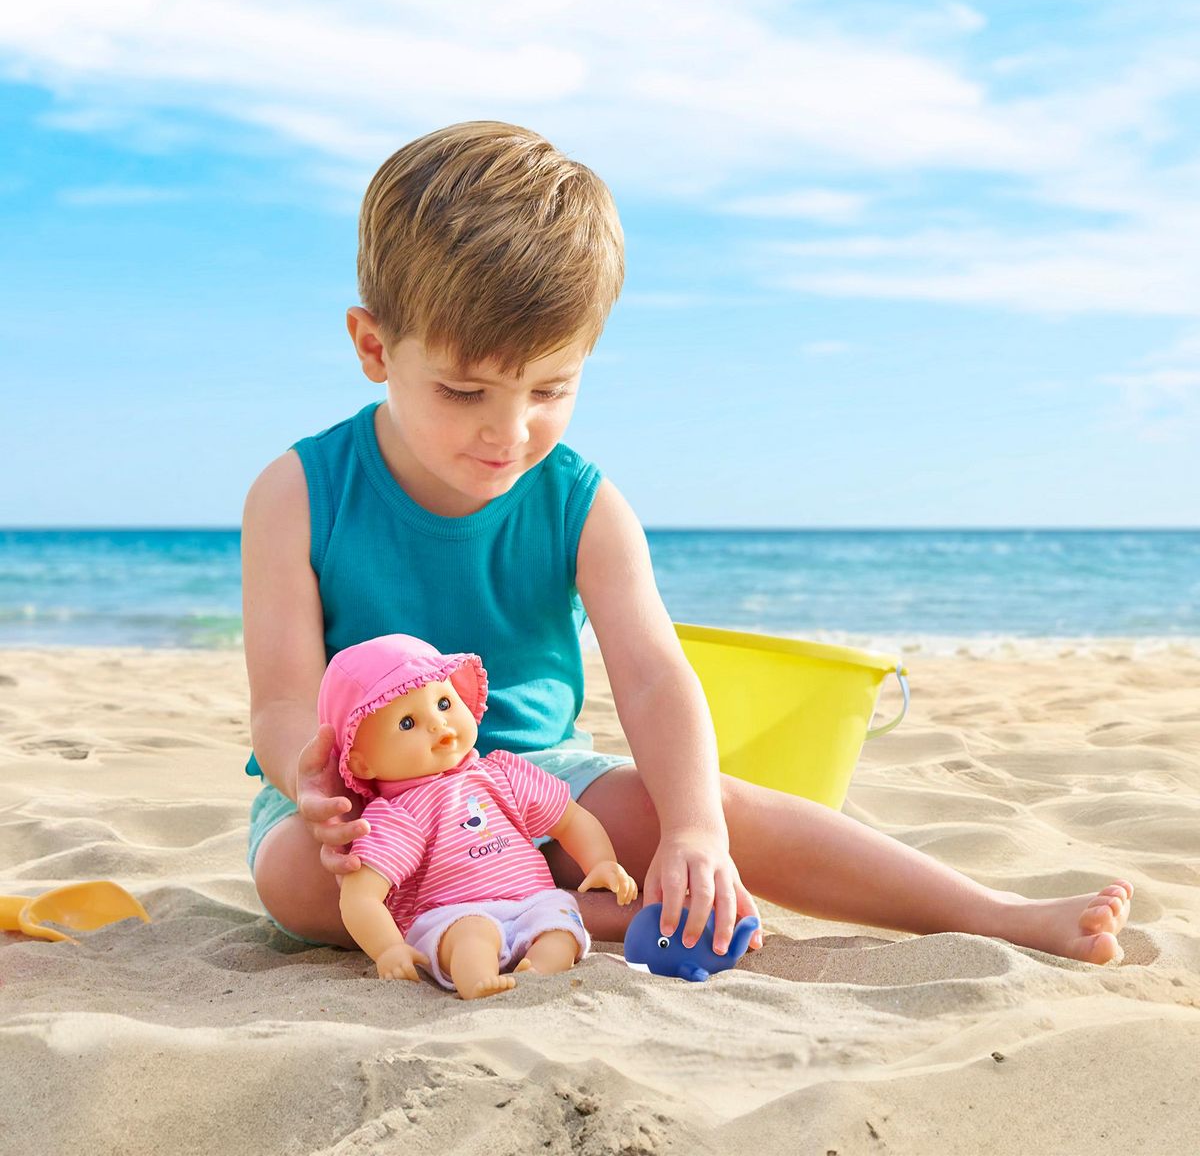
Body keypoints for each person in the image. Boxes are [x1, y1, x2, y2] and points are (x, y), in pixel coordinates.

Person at [242, 120, 1132, 965]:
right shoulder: (299, 494)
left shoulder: (581, 504)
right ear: (372, 345)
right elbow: (284, 701)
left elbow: (653, 674)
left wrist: (695, 829)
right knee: (295, 881)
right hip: (373, 802)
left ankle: (995, 915)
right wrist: (312, 781)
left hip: (534, 785)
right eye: (465, 392)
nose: (508, 434)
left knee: (713, 807)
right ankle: (577, 911)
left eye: (550, 389)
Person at [325, 632, 637, 999]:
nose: (439, 725)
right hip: (453, 912)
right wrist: (388, 947)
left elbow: (569, 818)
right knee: (473, 934)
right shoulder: (398, 815)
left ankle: (539, 971)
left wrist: (600, 861)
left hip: (530, 899)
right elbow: (361, 896)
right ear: (362, 762)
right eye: (407, 723)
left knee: (560, 925)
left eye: (443, 703)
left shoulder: (502, 773)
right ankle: (477, 980)